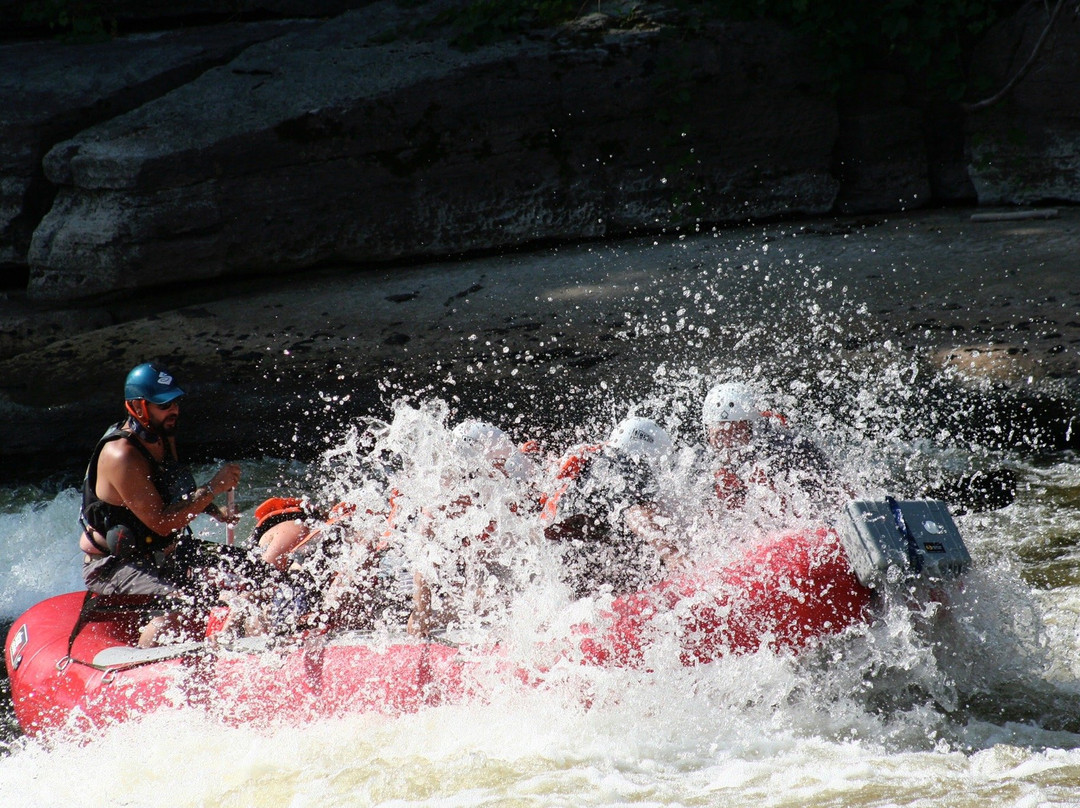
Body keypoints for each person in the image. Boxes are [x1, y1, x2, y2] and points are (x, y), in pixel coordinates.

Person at [79, 362, 250, 647]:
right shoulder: (121, 455)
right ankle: (145, 659)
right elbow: (162, 522)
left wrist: (213, 509)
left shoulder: (162, 435)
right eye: (164, 405)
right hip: (118, 563)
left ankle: (241, 644)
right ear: (138, 406)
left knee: (250, 569)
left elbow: (176, 491)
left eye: (175, 402)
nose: (174, 410)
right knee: (183, 605)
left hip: (164, 550)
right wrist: (212, 488)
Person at [541, 416, 679, 600]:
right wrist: (674, 556)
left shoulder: (594, 465)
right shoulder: (626, 463)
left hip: (554, 571)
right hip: (577, 568)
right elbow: (636, 515)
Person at [700, 381, 843, 518]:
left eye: (736, 432)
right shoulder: (702, 467)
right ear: (708, 434)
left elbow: (840, 493)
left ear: (753, 429)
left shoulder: (790, 450)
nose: (727, 443)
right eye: (720, 435)